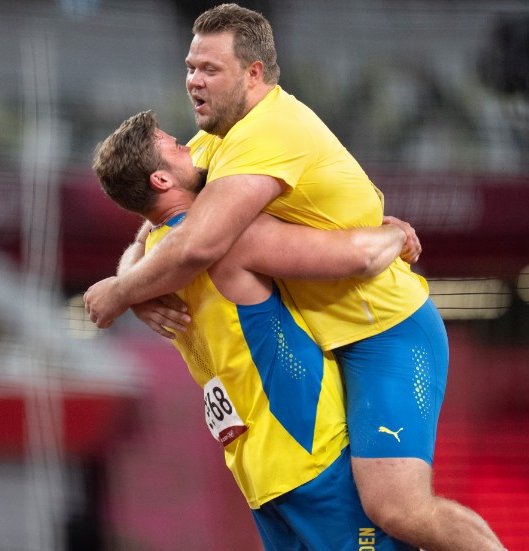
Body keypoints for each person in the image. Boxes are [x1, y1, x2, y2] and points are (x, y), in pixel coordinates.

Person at [84, 5, 505, 550]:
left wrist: (121, 292)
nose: (192, 80)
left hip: (384, 331)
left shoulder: (269, 133)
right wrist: (136, 288)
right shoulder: (215, 145)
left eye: (209, 68)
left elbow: (202, 244)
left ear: (253, 73)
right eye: (190, 66)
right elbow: (153, 233)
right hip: (302, 394)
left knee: (397, 507)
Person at [94, 110, 417, 549]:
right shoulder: (225, 240)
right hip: (311, 452)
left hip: (258, 473)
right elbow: (358, 256)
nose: (189, 146)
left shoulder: (153, 259)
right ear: (162, 181)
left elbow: (143, 237)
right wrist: (395, 234)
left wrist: (123, 290)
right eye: (175, 146)